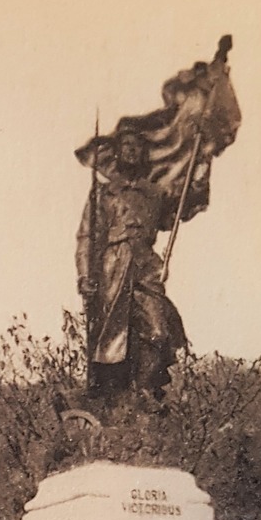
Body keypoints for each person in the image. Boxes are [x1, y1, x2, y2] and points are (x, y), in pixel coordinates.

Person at [76, 125, 187, 400]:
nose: (132, 150)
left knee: (158, 330)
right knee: (112, 338)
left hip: (146, 265)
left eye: (137, 146)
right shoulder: (103, 193)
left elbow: (176, 213)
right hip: (112, 267)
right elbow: (87, 236)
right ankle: (113, 396)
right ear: (117, 152)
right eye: (126, 145)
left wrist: (194, 176)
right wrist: (84, 276)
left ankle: (146, 391)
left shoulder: (154, 193)